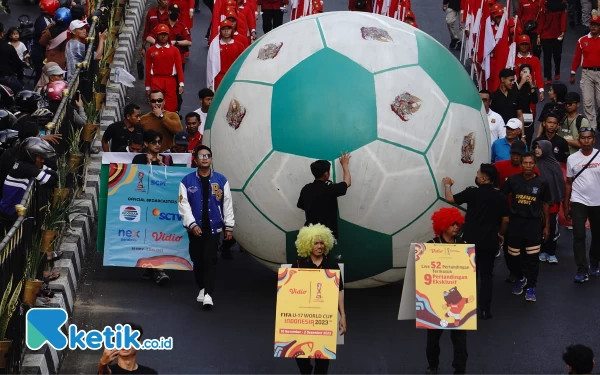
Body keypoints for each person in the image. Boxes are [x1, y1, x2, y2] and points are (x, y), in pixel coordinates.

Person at [442, 165, 509, 320]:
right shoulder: (500, 197)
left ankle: (464, 310)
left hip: (469, 241)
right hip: (490, 241)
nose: (477, 176)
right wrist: (501, 234)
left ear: (484, 178)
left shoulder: (472, 192)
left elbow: (450, 199)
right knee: (486, 276)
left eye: (478, 174)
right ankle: (485, 310)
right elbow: (506, 220)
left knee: (468, 276)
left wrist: (447, 185)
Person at [178, 145, 235, 307]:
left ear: (211, 159)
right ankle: (202, 287)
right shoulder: (187, 181)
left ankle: (209, 294)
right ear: (195, 159)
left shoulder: (221, 180)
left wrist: (228, 226)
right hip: (195, 228)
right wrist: (192, 224)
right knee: (197, 258)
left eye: (207, 155)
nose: (204, 158)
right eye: (201, 156)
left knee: (210, 259)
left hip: (213, 226)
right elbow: (183, 205)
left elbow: (227, 204)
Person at [292, 224, 346, 375]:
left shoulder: (331, 265)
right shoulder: (297, 265)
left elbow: (339, 291)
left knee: (323, 361)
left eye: (322, 243)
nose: (319, 246)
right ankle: (306, 369)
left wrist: (343, 316)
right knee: (301, 358)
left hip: (324, 320)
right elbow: (288, 292)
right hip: (303, 319)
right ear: (308, 244)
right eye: (316, 243)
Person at [500, 152, 551, 302]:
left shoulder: (542, 182)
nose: (528, 166)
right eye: (525, 163)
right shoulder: (513, 180)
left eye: (531, 163)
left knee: (532, 257)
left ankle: (531, 287)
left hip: (533, 223)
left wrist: (547, 225)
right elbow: (502, 196)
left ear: (535, 164)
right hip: (516, 223)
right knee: (513, 255)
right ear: (521, 165)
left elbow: (546, 204)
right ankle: (521, 278)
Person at [424, 207, 468, 375]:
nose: (456, 227)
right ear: (443, 225)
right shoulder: (431, 246)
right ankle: (433, 365)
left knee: (460, 339)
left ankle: (460, 369)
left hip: (458, 302)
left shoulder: (463, 245)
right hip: (436, 301)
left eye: (457, 224)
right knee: (433, 339)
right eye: (452, 224)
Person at [564, 127, 600, 283]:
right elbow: (568, 183)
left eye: (589, 138)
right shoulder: (572, 159)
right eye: (583, 138)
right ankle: (581, 269)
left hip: (598, 202)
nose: (586, 141)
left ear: (594, 139)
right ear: (579, 140)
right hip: (578, 201)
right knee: (579, 235)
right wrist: (566, 205)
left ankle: (594, 262)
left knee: (597, 236)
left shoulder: (599, 156)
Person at [0, 137, 57, 233]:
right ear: (31, 156)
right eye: (40, 158)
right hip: (9, 217)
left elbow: (53, 172)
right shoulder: (26, 168)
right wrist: (44, 170)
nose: (42, 161)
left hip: (10, 213)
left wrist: (43, 169)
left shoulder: (22, 164)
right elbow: (51, 181)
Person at [297, 153, 351, 239]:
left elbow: (301, 205)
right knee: (322, 251)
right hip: (325, 234)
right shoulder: (330, 189)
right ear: (326, 174)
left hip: (310, 233)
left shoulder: (306, 189)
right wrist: (345, 164)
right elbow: (347, 182)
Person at [533, 139, 565, 264]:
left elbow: (559, 185)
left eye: (539, 148)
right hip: (537, 203)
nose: (537, 150)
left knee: (551, 226)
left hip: (552, 204)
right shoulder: (534, 164)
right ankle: (542, 250)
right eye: (536, 147)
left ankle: (551, 252)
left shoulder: (554, 165)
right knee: (538, 227)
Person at [145, 24, 184, 113]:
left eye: (165, 34)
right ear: (157, 35)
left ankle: (169, 122)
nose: (163, 36)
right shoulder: (151, 50)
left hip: (170, 80)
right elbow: (148, 69)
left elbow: (179, 68)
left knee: (171, 105)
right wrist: (147, 87)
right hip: (156, 80)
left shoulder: (174, 50)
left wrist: (181, 84)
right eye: (161, 34)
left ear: (168, 35)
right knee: (156, 104)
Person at [570, 14, 600, 126]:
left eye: (596, 25)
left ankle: (598, 118)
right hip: (586, 73)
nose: (593, 27)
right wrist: (573, 72)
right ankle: (591, 129)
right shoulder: (582, 40)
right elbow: (577, 58)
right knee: (588, 103)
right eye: (592, 24)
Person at [206, 20, 245, 91]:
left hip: (233, 77)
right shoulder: (215, 46)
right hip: (219, 78)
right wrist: (211, 83)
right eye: (223, 29)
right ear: (220, 31)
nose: (226, 31)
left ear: (232, 30)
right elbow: (210, 64)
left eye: (228, 29)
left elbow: (243, 64)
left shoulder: (239, 46)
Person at [538, 0, 567, 84]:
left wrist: (562, 32)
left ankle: (557, 70)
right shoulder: (544, 5)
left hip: (557, 34)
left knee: (557, 55)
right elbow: (541, 20)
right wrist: (539, 34)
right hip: (546, 35)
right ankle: (548, 76)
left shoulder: (562, 5)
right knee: (547, 57)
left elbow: (563, 19)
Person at [490, 69, 525, 133]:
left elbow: (520, 115)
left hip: (514, 132)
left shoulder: (516, 95)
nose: (513, 83)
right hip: (499, 132)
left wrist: (523, 135)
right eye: (510, 80)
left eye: (513, 80)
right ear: (502, 79)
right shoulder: (493, 97)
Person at [32, 0, 59, 81]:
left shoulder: (47, 18)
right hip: (40, 53)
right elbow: (44, 40)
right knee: (40, 76)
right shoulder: (42, 23)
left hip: (41, 51)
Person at [513, 35, 544, 102]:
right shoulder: (513, 60)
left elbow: (538, 75)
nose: (524, 46)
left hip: (531, 88)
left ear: (529, 45)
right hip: (518, 88)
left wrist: (541, 90)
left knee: (532, 110)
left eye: (526, 44)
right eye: (522, 44)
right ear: (518, 45)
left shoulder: (535, 60)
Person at [516, 64, 539, 149]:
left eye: (527, 71)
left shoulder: (530, 85)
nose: (525, 73)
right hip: (516, 114)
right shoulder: (515, 83)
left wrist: (532, 86)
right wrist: (521, 83)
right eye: (523, 71)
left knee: (527, 140)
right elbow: (513, 97)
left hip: (527, 115)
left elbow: (535, 100)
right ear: (519, 72)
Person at [0, 23, 25, 94]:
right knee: (22, 94)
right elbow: (17, 64)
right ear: (2, 33)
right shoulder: (8, 47)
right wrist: (20, 77)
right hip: (6, 78)